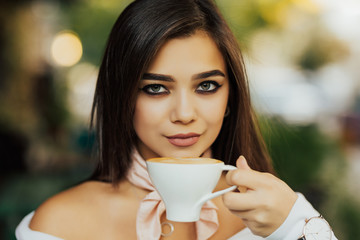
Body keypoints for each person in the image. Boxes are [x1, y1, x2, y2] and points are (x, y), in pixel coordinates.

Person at [16, 0, 338, 239]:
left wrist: (296, 224)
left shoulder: (274, 213)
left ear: (230, 99)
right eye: (156, 88)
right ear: (122, 98)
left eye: (207, 86)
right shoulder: (57, 225)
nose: (184, 114)